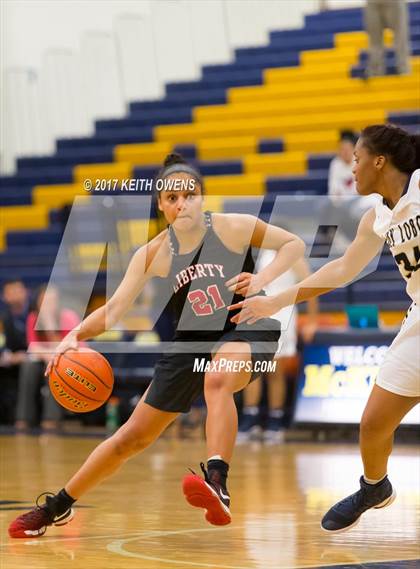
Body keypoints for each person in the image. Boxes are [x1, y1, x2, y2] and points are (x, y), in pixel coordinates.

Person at [8, 153, 305, 538]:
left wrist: (262, 276)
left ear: (201, 198)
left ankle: (217, 481)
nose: (182, 203)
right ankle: (56, 507)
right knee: (130, 438)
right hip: (192, 341)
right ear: (161, 206)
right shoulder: (152, 253)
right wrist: (73, 335)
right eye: (172, 198)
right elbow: (113, 310)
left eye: (190, 195)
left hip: (246, 325)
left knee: (217, 378)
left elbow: (294, 245)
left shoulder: (233, 227)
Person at [228, 124, 420, 533]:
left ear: (379, 161)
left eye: (357, 159)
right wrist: (277, 299)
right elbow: (343, 268)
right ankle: (374, 487)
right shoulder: (377, 217)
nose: (351, 168)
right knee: (372, 424)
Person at [238, 254, 319, 443]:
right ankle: (251, 419)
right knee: (253, 370)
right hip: (257, 315)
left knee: (275, 371)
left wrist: (313, 320)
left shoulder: (294, 257)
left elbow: (313, 286)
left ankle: (276, 420)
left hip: (284, 314)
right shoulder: (260, 254)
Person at [15, 284, 81, 432]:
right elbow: (32, 347)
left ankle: (51, 418)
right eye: (45, 299)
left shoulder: (68, 317)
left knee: (54, 368)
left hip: (71, 361)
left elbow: (65, 347)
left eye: (53, 299)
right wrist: (47, 355)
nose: (49, 303)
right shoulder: (33, 318)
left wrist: (50, 324)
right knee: (28, 366)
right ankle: (24, 418)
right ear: (38, 301)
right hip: (46, 359)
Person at [364, 0, 411, 77]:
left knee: (401, 35)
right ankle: (375, 71)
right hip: (373, 3)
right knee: (374, 39)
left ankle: (404, 69)